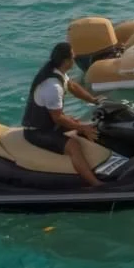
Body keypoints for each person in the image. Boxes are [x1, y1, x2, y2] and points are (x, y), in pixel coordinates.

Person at [20, 41, 103, 188]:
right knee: (74, 146)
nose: (75, 57)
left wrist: (94, 100)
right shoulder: (53, 87)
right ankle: (96, 184)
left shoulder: (58, 72)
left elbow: (72, 86)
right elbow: (57, 118)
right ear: (66, 61)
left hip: (49, 124)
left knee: (82, 125)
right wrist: (82, 128)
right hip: (37, 131)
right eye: (72, 56)